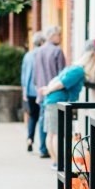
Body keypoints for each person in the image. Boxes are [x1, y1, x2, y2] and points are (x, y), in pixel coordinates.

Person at [38, 63, 85, 164]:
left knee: (51, 134)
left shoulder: (70, 69)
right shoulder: (79, 71)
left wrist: (48, 89)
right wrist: (48, 90)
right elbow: (62, 84)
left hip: (51, 101)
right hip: (57, 101)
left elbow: (57, 81)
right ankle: (59, 163)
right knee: (56, 133)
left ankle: (56, 162)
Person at [32, 26, 66, 159]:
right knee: (56, 129)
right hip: (55, 94)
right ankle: (56, 158)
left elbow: (35, 75)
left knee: (43, 122)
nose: (60, 38)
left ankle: (43, 149)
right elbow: (62, 76)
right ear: (53, 36)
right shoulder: (57, 51)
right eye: (59, 35)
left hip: (41, 92)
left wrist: (38, 90)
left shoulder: (38, 51)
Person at [21, 31, 45, 152]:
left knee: (33, 116)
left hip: (29, 91)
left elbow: (24, 74)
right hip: (41, 90)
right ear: (41, 42)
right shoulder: (42, 54)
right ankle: (43, 146)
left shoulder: (28, 55)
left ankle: (30, 138)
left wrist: (24, 90)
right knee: (42, 117)